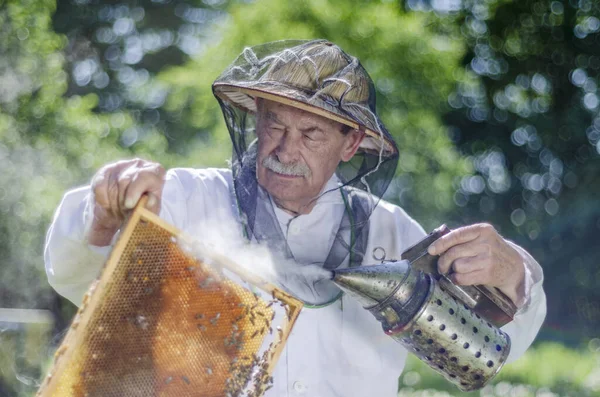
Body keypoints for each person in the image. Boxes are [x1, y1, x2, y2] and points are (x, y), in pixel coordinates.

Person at [45, 39, 546, 396]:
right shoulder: (184, 199)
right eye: (275, 124)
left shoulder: (393, 234)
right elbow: (73, 275)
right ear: (254, 119)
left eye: (311, 135)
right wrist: (106, 209)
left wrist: (514, 275)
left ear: (351, 143)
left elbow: (494, 350)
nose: (285, 150)